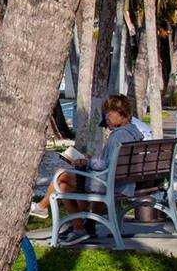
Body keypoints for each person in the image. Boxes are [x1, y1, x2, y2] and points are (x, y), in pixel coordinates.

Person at [37, 94, 153, 244]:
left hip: (111, 184)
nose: (107, 118)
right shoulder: (133, 132)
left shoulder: (118, 136)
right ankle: (84, 226)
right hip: (123, 181)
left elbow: (106, 165)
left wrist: (87, 162)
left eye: (110, 114)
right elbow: (111, 162)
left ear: (122, 114)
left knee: (61, 177)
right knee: (65, 184)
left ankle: (48, 210)